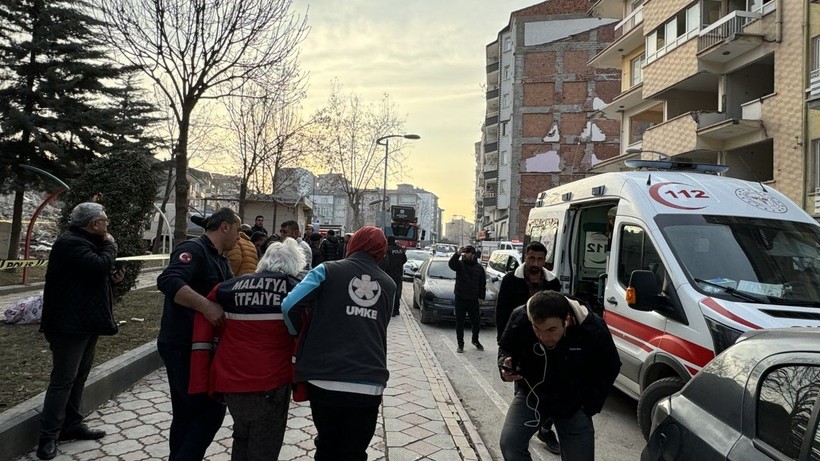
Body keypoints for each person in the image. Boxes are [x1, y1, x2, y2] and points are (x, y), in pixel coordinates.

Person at [282, 226, 395, 461]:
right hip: (368, 380)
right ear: (381, 253)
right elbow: (380, 325)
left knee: (327, 446)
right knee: (355, 451)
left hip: (324, 377)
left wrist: (298, 334)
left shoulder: (326, 270)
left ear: (351, 245)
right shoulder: (389, 285)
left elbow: (290, 306)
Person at [189, 238, 305, 461]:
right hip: (271, 382)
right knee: (265, 445)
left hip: (230, 380)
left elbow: (206, 321)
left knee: (241, 434)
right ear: (293, 265)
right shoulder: (295, 291)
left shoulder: (229, 287)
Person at [36, 202, 125, 460]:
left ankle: (71, 424)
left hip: (85, 321)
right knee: (63, 380)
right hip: (68, 325)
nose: (107, 226)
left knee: (79, 376)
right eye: (104, 222)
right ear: (94, 224)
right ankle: (48, 436)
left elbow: (90, 275)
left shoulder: (84, 242)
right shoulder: (71, 243)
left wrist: (111, 279)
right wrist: (110, 244)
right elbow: (97, 265)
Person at [156, 207, 240, 461]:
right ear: (224, 227)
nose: (239, 237)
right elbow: (169, 281)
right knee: (209, 411)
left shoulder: (220, 259)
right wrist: (205, 306)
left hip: (200, 347)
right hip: (182, 344)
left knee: (185, 413)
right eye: (237, 231)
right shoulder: (194, 250)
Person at [498, 291, 620, 461]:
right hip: (533, 396)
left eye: (551, 329)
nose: (544, 337)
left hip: (574, 402)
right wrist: (505, 366)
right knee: (510, 443)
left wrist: (589, 405)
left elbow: (610, 366)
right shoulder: (521, 317)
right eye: (537, 329)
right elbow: (505, 348)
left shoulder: (591, 328)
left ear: (567, 319)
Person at [494, 241, 562, 454]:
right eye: (531, 258)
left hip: (548, 344)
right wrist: (503, 344)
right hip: (520, 344)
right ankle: (522, 429)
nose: (535, 263)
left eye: (540, 259)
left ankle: (544, 428)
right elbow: (502, 312)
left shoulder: (552, 282)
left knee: (552, 387)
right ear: (525, 257)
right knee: (523, 389)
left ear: (545, 260)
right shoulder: (510, 281)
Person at [448, 245, 487, 353]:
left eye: (468, 252)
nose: (466, 254)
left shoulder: (479, 268)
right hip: (460, 297)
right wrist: (457, 254)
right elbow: (451, 264)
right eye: (465, 252)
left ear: (473, 254)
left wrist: (481, 297)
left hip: (473, 299)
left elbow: (482, 283)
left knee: (476, 322)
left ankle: (475, 340)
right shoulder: (460, 264)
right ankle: (460, 344)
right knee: (459, 322)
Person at [378, 236, 407, 317]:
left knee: (388, 291)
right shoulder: (400, 249)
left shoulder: (388, 250)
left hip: (389, 273)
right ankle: (396, 310)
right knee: (397, 292)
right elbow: (405, 260)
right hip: (398, 273)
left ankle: (390, 310)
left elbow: (384, 262)